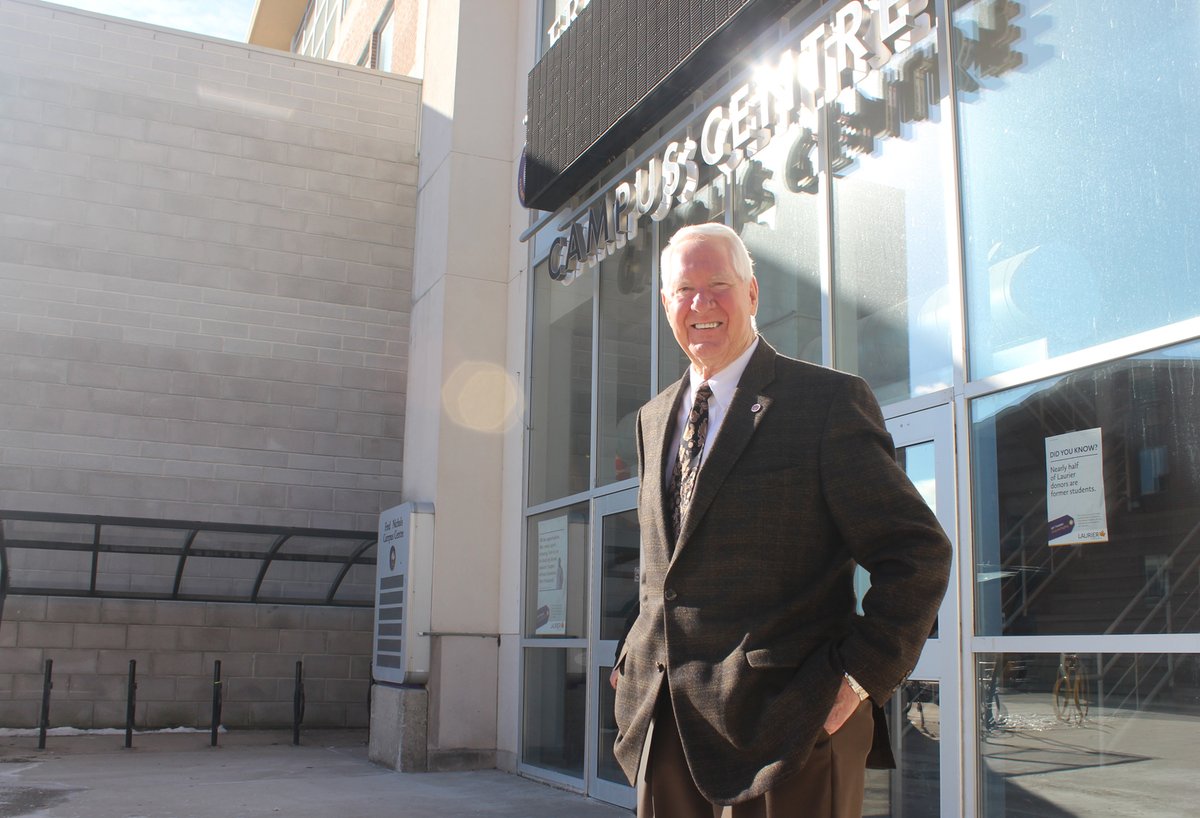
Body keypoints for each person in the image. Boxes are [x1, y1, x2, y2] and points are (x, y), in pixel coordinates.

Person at [611, 223, 952, 817]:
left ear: (752, 293)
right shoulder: (653, 417)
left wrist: (858, 678)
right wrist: (630, 658)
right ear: (666, 304)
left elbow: (916, 553)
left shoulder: (824, 403)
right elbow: (664, 567)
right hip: (665, 715)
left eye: (719, 283)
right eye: (684, 289)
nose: (701, 303)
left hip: (792, 720)